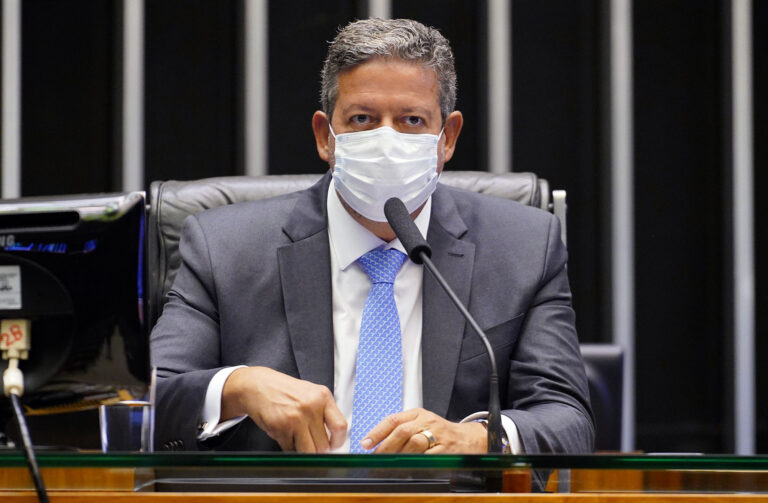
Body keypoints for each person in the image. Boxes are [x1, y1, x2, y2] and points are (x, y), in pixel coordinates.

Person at [151, 18, 593, 456]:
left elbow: (567, 419)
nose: (386, 142)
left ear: (448, 138)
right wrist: (236, 387)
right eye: (362, 119)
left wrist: (478, 438)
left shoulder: (524, 247)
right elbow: (144, 399)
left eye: (412, 120)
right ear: (325, 137)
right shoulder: (224, 248)